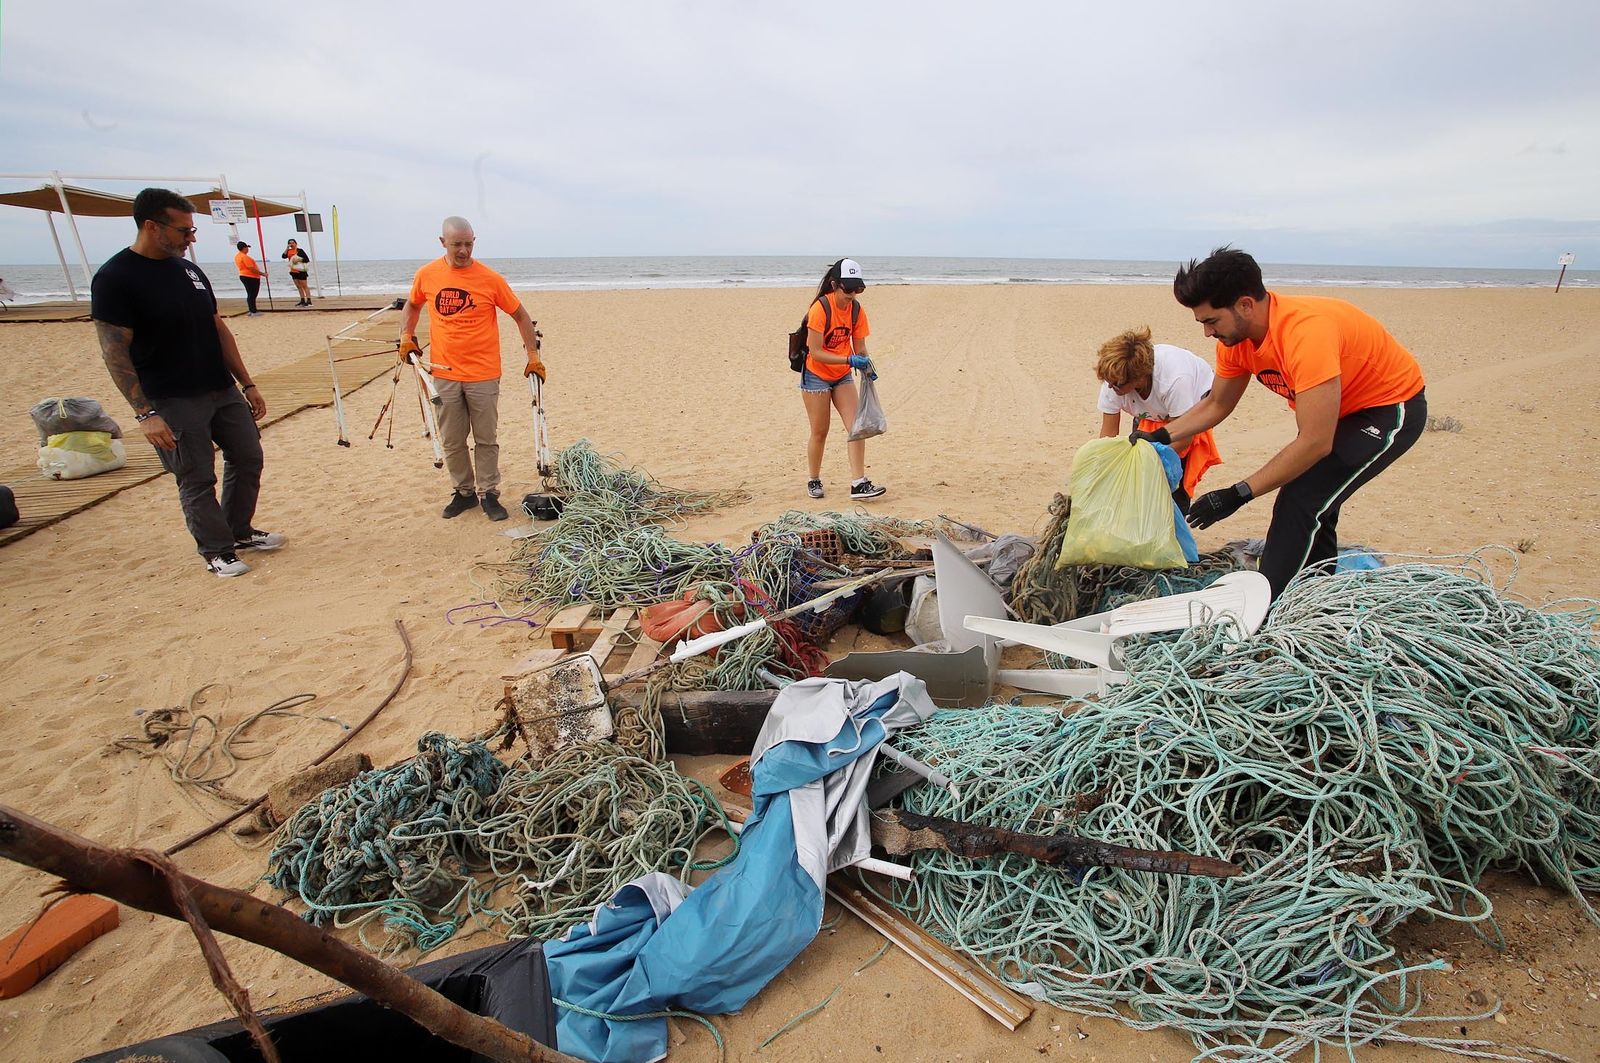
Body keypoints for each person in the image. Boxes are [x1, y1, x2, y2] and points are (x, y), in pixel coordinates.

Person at [1147, 246, 1426, 599]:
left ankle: (1268, 603)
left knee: (1301, 498)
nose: (1206, 333)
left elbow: (1315, 442)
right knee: (1319, 502)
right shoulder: (1235, 340)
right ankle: (1316, 598)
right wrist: (1158, 436)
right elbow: (1217, 404)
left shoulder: (1305, 334)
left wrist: (1236, 494)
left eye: (1211, 321)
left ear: (1246, 304)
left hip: (1389, 407)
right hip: (1339, 411)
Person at [91, 187, 285, 577]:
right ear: (151, 226)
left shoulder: (189, 271)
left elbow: (217, 329)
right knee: (196, 475)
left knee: (248, 457)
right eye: (184, 231)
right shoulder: (115, 278)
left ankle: (238, 531)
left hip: (220, 387)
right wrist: (145, 413)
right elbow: (115, 352)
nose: (191, 238)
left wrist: (247, 384)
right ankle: (216, 551)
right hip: (171, 397)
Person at [397, 216, 545, 521]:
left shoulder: (490, 279)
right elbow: (412, 305)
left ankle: (488, 493)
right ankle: (464, 493)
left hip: (484, 372)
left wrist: (532, 356)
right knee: (452, 439)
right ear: (443, 243)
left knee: (486, 438)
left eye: (468, 243)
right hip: (443, 371)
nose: (463, 250)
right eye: (457, 244)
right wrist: (406, 337)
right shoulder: (427, 275)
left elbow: (520, 315)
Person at [1094, 326, 1221, 509]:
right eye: (1109, 383)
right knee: (1137, 479)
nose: (1112, 388)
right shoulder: (1114, 381)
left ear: (1139, 378)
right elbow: (1108, 433)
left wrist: (1147, 461)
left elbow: (1183, 438)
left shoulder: (1174, 380)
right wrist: (1103, 469)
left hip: (1190, 410)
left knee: (1173, 484)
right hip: (1153, 413)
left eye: (1117, 385)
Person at [799, 258, 886, 500]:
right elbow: (815, 351)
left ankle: (859, 483)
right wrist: (849, 361)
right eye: (847, 289)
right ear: (835, 284)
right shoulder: (820, 309)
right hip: (815, 375)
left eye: (857, 289)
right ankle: (814, 479)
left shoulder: (856, 310)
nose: (852, 295)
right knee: (820, 431)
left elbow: (859, 346)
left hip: (841, 376)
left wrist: (867, 365)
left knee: (856, 428)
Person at [234, 241, 264, 316]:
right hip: (250, 277)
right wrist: (262, 274)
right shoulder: (244, 257)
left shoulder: (238, 256)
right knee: (252, 294)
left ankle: (253, 309)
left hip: (245, 275)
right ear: (244, 248)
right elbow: (251, 268)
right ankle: (253, 310)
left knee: (251, 294)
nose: (248, 249)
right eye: (247, 247)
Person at [282, 238, 311, 306]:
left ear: (296, 243)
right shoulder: (288, 251)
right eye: (290, 243)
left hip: (301, 270)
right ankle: (302, 300)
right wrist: (287, 248)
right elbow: (283, 256)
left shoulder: (299, 250)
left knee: (304, 286)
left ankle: (309, 300)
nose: (291, 244)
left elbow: (306, 259)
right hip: (293, 271)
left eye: (293, 243)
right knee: (298, 286)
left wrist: (298, 260)